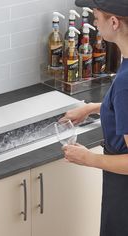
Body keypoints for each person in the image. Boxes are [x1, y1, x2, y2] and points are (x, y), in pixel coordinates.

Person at [61, 0, 128, 235]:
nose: (93, 23)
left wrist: (87, 158)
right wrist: (93, 107)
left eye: (96, 17)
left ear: (114, 22)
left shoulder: (125, 83)